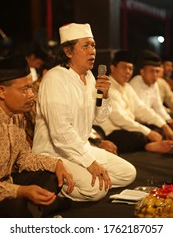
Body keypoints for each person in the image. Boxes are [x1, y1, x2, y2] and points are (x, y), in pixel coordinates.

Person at [32, 23, 136, 202]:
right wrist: (89, 163)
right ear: (68, 52)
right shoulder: (55, 79)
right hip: (54, 153)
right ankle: (53, 184)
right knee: (96, 190)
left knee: (129, 173)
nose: (92, 51)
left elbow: (100, 118)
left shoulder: (89, 76)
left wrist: (104, 96)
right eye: (85, 46)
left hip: (81, 147)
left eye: (93, 45)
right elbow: (60, 132)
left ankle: (86, 181)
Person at [0, 54, 74, 218]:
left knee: (50, 176)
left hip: (10, 181)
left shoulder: (17, 115)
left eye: (30, 87)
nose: (31, 95)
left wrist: (56, 164)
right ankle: (41, 210)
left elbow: (24, 158)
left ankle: (34, 212)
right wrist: (21, 191)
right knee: (16, 207)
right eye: (24, 89)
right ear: (2, 91)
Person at [94, 50, 173, 154]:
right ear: (113, 68)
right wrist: (148, 133)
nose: (127, 71)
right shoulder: (107, 87)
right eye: (124, 67)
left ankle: (149, 142)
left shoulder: (127, 87)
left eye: (130, 68)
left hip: (128, 127)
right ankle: (147, 145)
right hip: (111, 131)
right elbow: (120, 119)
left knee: (157, 129)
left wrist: (163, 125)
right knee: (136, 137)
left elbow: (142, 109)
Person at [130, 50, 173, 130]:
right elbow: (141, 112)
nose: (155, 75)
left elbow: (158, 106)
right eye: (152, 71)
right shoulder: (136, 83)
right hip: (138, 122)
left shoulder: (154, 83)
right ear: (142, 72)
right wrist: (164, 125)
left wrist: (168, 120)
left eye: (157, 71)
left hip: (150, 119)